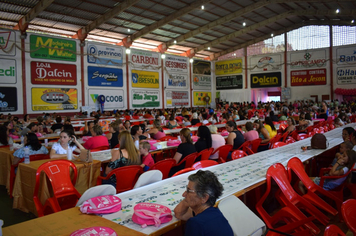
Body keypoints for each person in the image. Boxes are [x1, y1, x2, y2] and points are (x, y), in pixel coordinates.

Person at [174, 170, 233, 236]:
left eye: (189, 191)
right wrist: (187, 199)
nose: (183, 194)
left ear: (204, 197)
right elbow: (179, 214)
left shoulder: (196, 223)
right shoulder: (216, 213)